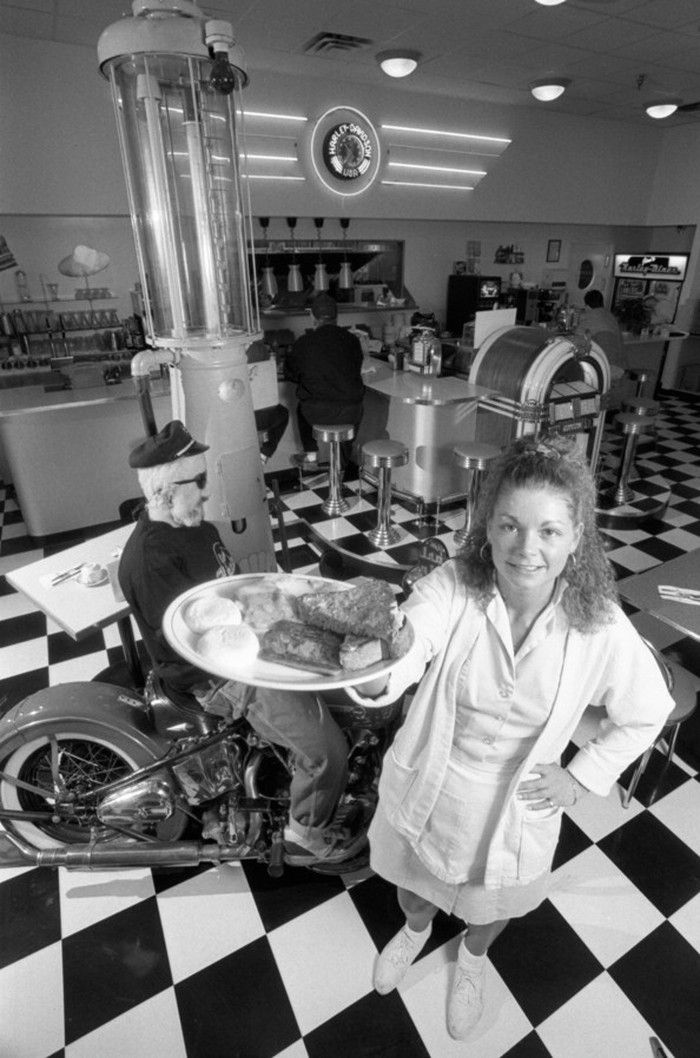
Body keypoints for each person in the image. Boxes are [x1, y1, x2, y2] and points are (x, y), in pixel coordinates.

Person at [350, 434, 674, 1039]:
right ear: (487, 528)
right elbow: (412, 638)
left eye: (549, 531)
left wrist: (581, 777)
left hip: (514, 803)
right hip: (433, 778)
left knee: (488, 905)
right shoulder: (455, 586)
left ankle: (473, 962)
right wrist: (375, 674)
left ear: (577, 537)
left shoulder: (599, 625)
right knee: (414, 888)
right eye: (510, 526)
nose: (527, 549)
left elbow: (648, 708)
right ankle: (414, 933)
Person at [118, 419, 355, 864]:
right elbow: (196, 649)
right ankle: (305, 833)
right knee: (325, 751)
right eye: (200, 481)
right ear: (165, 491)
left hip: (243, 648)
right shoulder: (152, 560)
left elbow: (228, 592)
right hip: (215, 677)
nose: (207, 493)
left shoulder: (194, 527)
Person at [285, 292, 364, 468]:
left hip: (316, 413)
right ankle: (342, 466)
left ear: (312, 316)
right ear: (337, 317)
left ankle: (312, 457)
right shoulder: (352, 340)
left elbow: (291, 374)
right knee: (353, 406)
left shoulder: (304, 343)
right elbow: (356, 368)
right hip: (351, 412)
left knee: (301, 405)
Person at [579, 289, 628, 379]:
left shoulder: (588, 316)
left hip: (605, 368)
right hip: (620, 366)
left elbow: (577, 339)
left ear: (587, 306)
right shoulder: (610, 316)